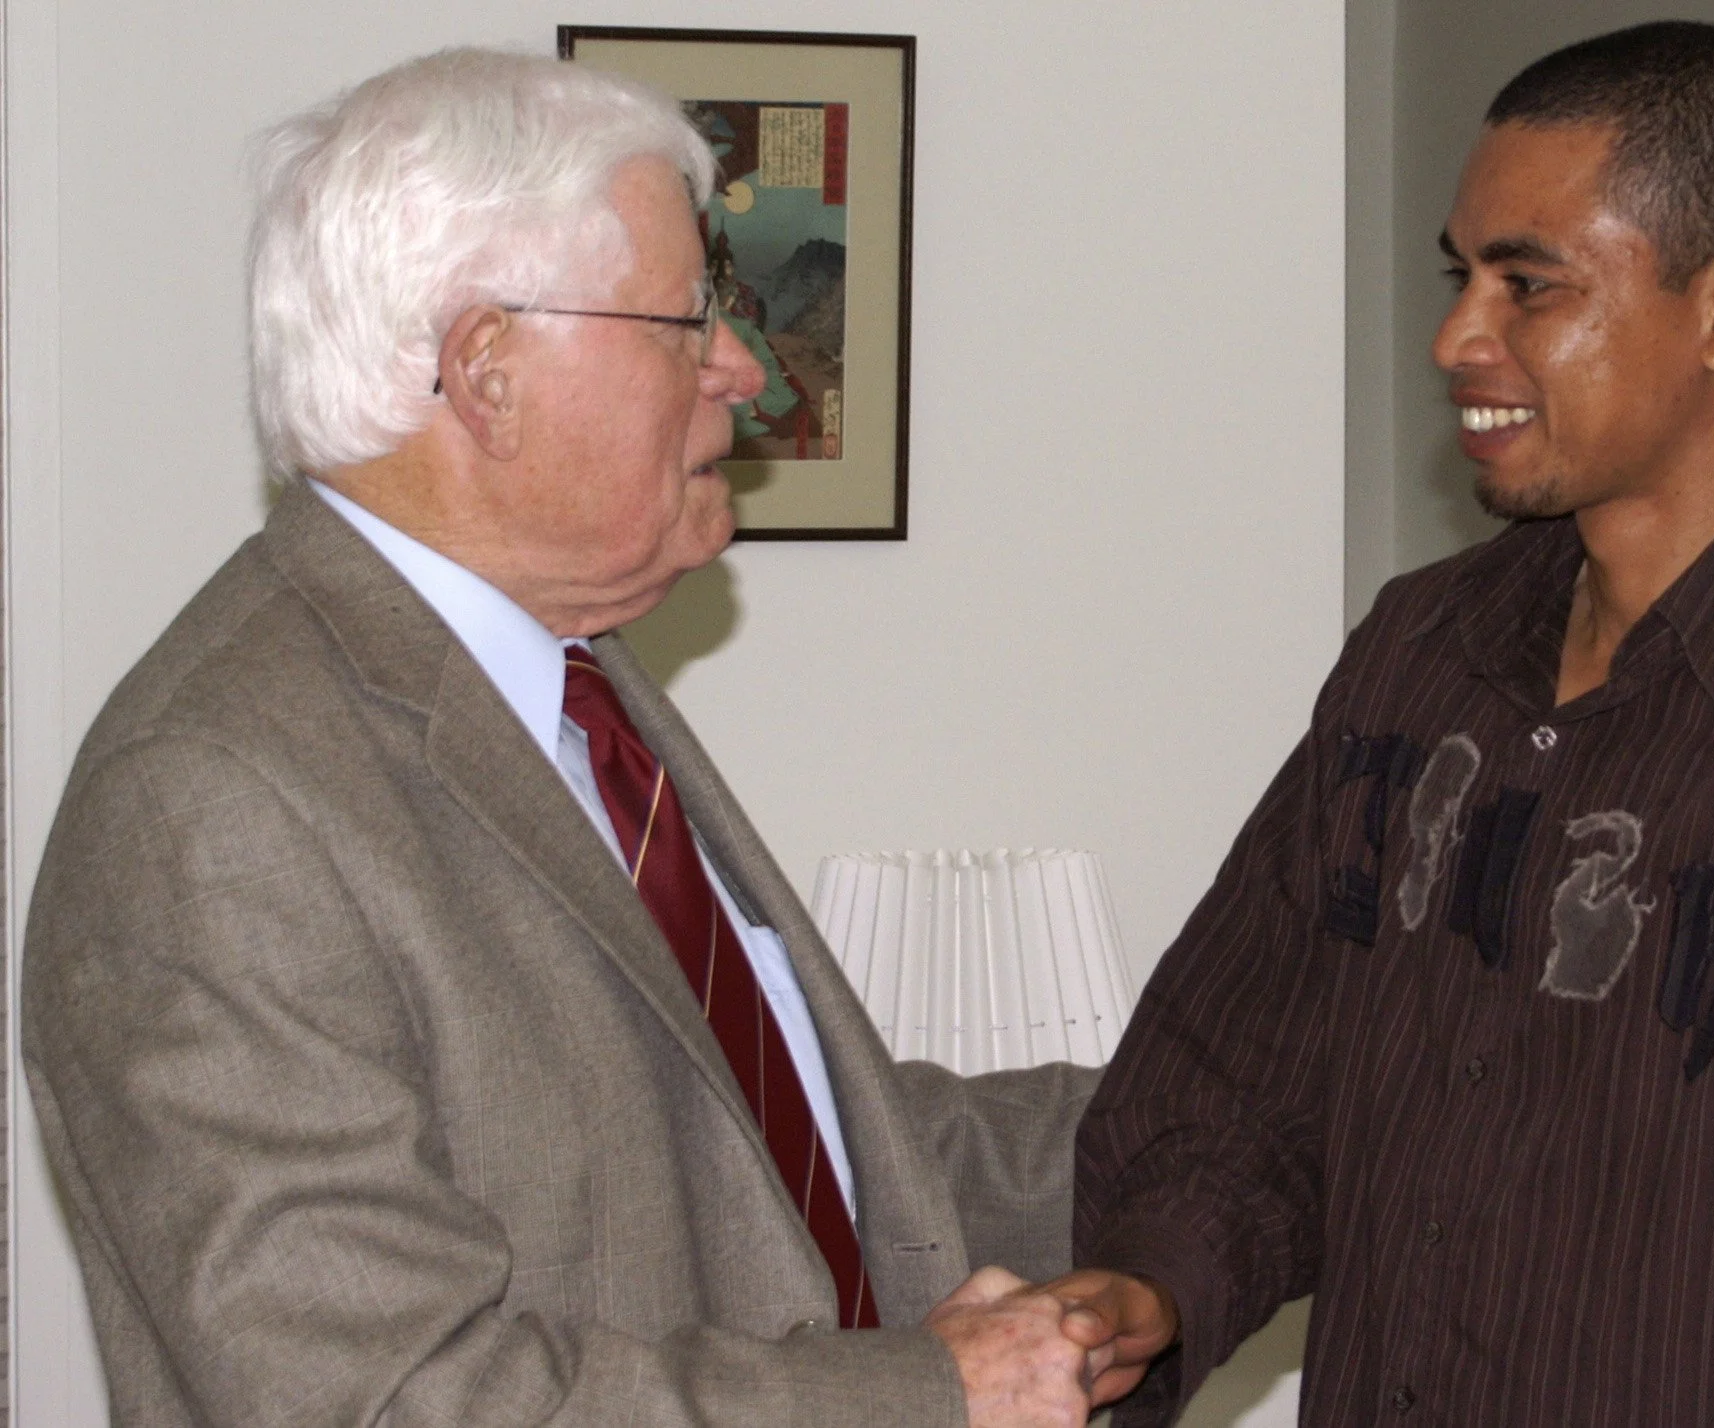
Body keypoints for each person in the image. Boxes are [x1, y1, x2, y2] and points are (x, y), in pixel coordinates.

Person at [1055, 20, 1714, 1423]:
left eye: (1529, 284)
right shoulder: (1416, 657)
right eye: (1460, 276)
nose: (1457, 336)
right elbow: (1241, 1084)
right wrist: (1152, 1284)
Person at [23, 48, 1107, 1428]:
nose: (745, 371)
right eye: (685, 320)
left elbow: (794, 1152)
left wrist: (1274, 1110)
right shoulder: (212, 805)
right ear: (487, 370)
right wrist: (925, 1395)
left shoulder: (573, 689)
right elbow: (383, 1395)